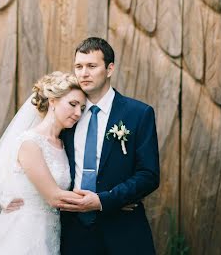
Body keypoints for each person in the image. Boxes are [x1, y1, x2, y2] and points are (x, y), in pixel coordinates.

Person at [59, 37, 160, 255]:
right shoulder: (65, 114)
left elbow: (148, 174)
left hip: (123, 230)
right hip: (73, 232)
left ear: (109, 69)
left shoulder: (138, 114)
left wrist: (105, 200)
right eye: (79, 66)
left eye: (92, 66)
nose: (83, 73)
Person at [0, 71, 86, 255]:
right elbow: (54, 196)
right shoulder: (30, 143)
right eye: (73, 104)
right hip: (22, 234)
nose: (78, 113)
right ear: (53, 101)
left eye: (82, 108)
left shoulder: (64, 144)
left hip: (50, 234)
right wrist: (108, 199)